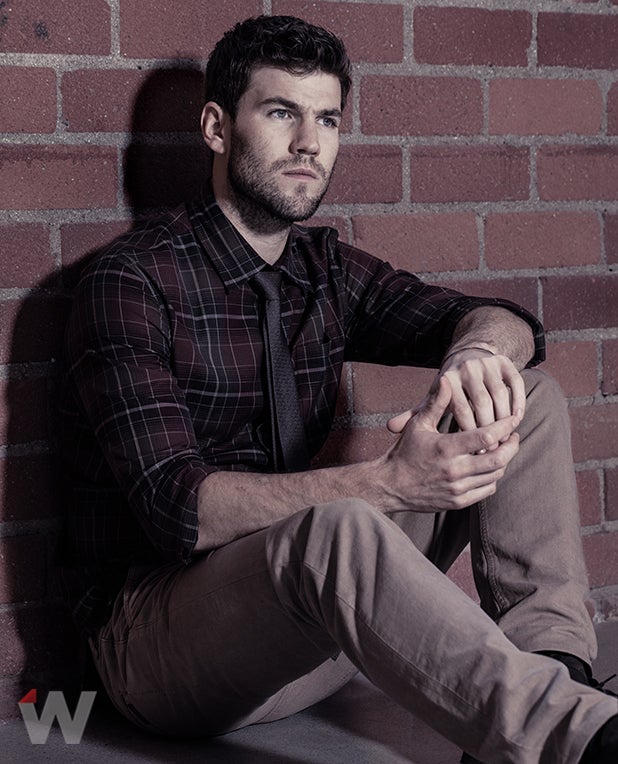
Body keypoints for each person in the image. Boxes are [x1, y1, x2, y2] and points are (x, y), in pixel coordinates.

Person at [59, 14, 618, 764]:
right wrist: (386, 484)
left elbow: (502, 320)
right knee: (341, 526)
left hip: (305, 625)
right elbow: (178, 508)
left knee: (525, 397)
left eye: (326, 119)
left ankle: (555, 675)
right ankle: (581, 742)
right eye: (281, 113)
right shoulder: (129, 282)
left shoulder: (323, 269)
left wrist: (477, 354)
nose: (308, 144)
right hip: (160, 646)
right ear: (218, 128)